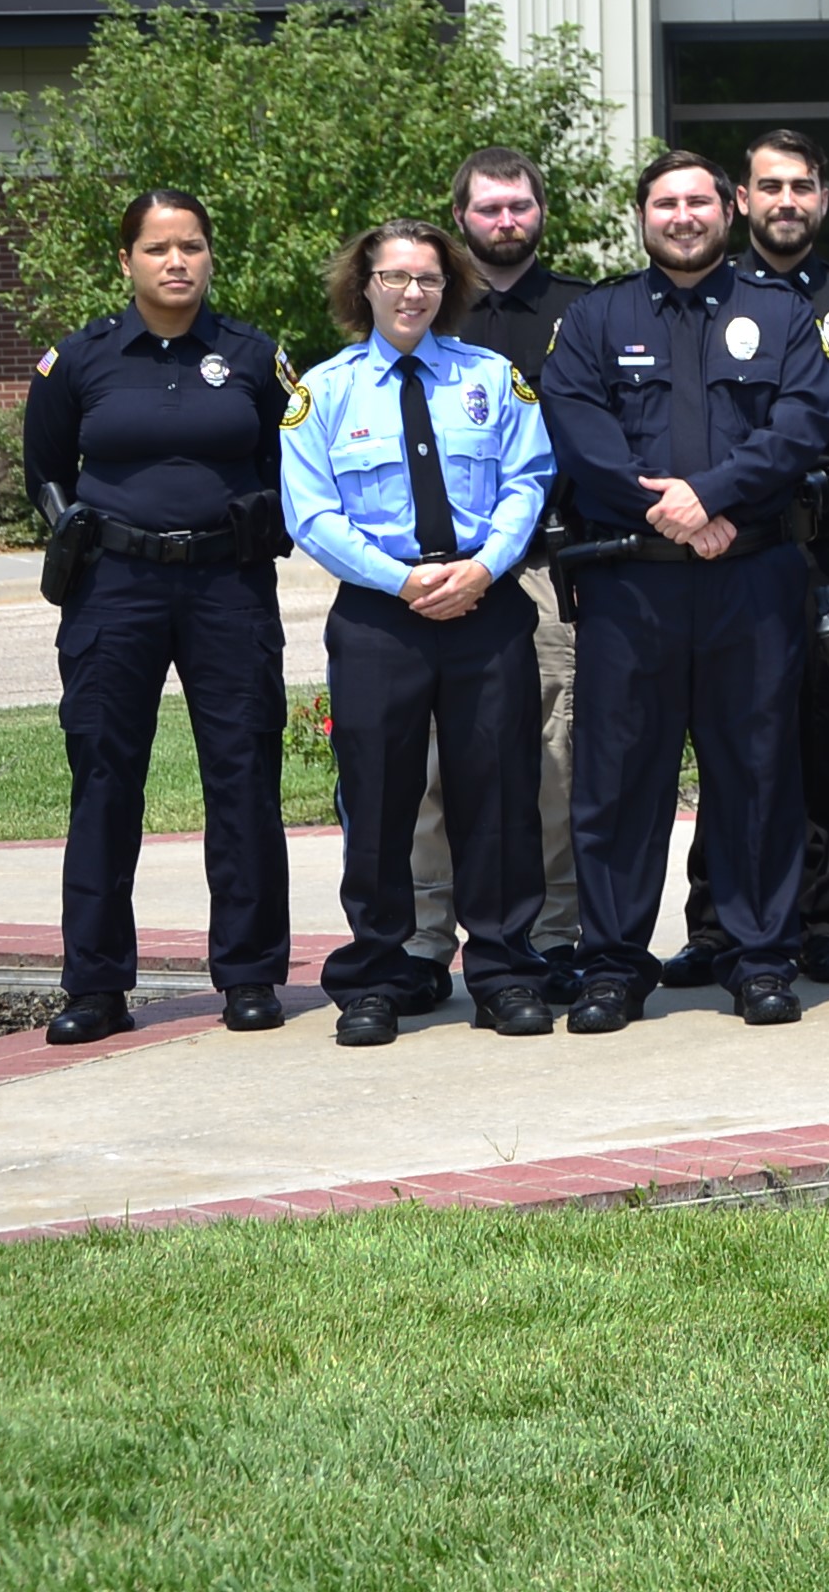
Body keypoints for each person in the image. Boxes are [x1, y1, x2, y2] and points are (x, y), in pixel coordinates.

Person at [537, 152, 829, 1033]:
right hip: (632, 587)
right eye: (665, 202)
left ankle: (760, 958)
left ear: (729, 208)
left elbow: (801, 426)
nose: (682, 215)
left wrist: (714, 496)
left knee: (757, 775)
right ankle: (613, 965)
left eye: (698, 200)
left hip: (752, 581)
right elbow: (581, 434)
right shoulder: (595, 317)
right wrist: (672, 509)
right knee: (619, 782)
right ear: (642, 215)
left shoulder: (782, 315)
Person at [25, 190, 297, 1048]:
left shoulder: (254, 356)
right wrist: (65, 520)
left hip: (227, 587)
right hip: (116, 587)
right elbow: (45, 468)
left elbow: (293, 468)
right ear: (126, 262)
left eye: (190, 246)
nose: (175, 261)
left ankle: (250, 973)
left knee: (243, 774)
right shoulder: (80, 358)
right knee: (105, 778)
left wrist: (266, 514)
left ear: (212, 256)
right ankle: (96, 984)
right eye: (156, 248)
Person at [284, 220, 560, 1046]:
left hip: (485, 604)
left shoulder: (492, 378)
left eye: (430, 280)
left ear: (451, 289)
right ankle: (379, 973)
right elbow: (311, 512)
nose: (413, 293)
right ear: (362, 285)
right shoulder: (324, 392)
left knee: (500, 795)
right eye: (396, 277)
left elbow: (529, 480)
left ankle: (504, 971)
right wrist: (402, 580)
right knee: (378, 801)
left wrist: (483, 569)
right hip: (380, 615)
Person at [657, 130, 829, 990]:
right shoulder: (712, 294)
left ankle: (822, 923)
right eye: (770, 185)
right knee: (726, 745)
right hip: (730, 545)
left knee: (818, 740)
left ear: (823, 200)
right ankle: (718, 923)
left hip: (826, 551)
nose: (786, 199)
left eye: (803, 185)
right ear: (740, 201)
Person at [408, 146, 590, 1001]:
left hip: (549, 573)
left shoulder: (583, 314)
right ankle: (422, 939)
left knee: (555, 762)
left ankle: (555, 936)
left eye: (519, 205)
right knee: (437, 765)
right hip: (440, 579)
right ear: (461, 219)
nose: (505, 221)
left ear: (540, 212)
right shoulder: (425, 316)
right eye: (488, 209)